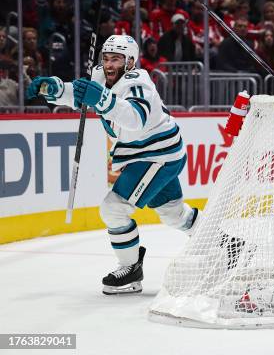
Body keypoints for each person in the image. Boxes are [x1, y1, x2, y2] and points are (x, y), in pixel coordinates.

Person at [26, 35, 199, 295]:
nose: (108, 64)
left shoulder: (139, 83)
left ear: (130, 62)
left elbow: (134, 119)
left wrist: (103, 100)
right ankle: (222, 243)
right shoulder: (101, 75)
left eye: (116, 59)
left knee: (113, 208)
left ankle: (130, 270)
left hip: (156, 156)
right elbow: (82, 92)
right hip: (155, 154)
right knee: (173, 213)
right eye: (106, 58)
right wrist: (55, 89)